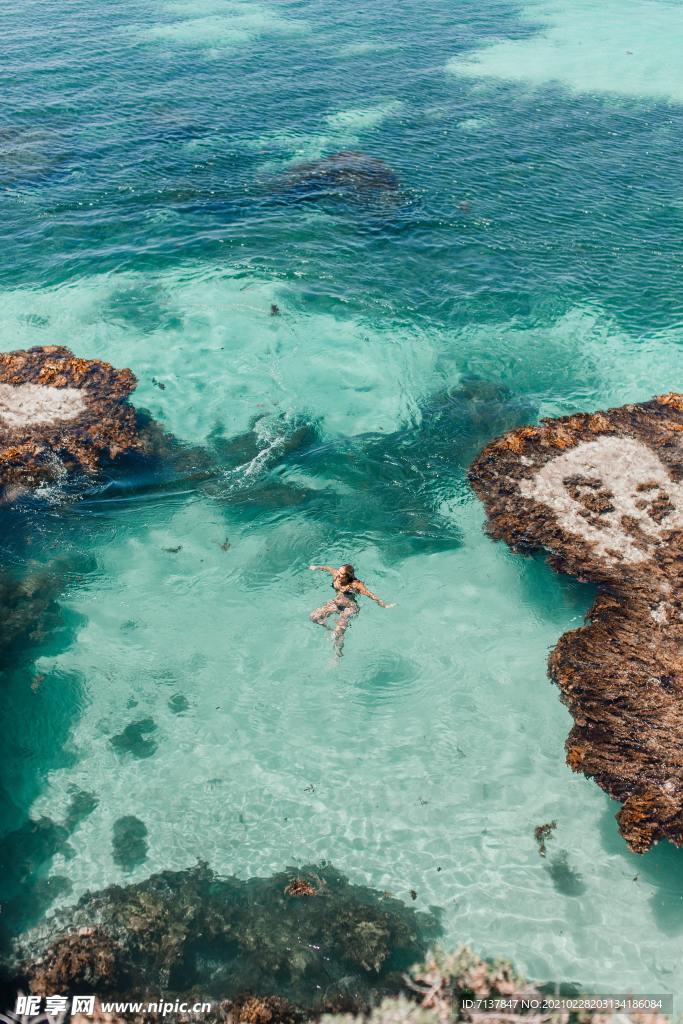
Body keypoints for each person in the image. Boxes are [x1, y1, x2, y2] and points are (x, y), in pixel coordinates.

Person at [308, 563, 394, 656]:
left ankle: (337, 655)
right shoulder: (336, 575)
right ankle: (329, 628)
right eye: (338, 572)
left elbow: (371, 595)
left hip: (349, 608)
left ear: (348, 576)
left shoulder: (356, 584)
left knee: (337, 635)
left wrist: (384, 605)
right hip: (336, 603)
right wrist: (316, 567)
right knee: (313, 617)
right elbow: (327, 568)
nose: (338, 574)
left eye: (341, 574)